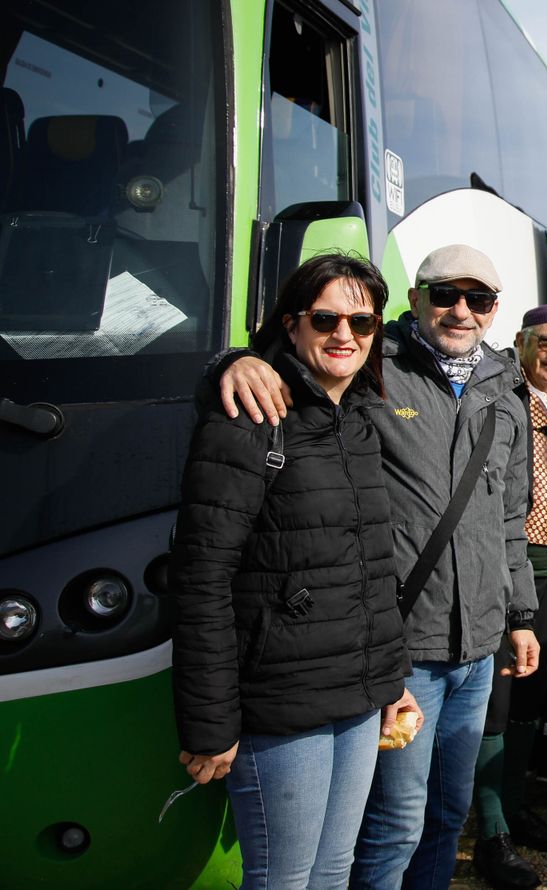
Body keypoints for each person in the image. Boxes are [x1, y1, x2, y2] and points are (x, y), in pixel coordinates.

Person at [219, 243, 539, 890]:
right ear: (415, 299)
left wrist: (521, 613)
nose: (460, 311)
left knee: (449, 816)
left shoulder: (506, 388)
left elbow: (510, 513)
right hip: (400, 643)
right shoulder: (375, 363)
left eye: (477, 299)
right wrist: (232, 361)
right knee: (394, 820)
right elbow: (294, 373)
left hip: (477, 643)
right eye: (445, 294)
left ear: (495, 311)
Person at [172, 253, 418, 888]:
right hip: (282, 703)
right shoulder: (250, 418)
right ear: (291, 324)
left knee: (334, 872)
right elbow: (201, 579)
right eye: (325, 318)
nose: (345, 336)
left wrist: (389, 680)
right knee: (283, 878)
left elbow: (368, 571)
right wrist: (210, 725)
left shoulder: (360, 421)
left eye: (362, 323)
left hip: (358, 698)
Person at [471, 304, 547, 888]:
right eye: (546, 343)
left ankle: (514, 808)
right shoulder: (500, 391)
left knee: (530, 697)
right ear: (520, 341)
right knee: (496, 705)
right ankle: (490, 833)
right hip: (502, 571)